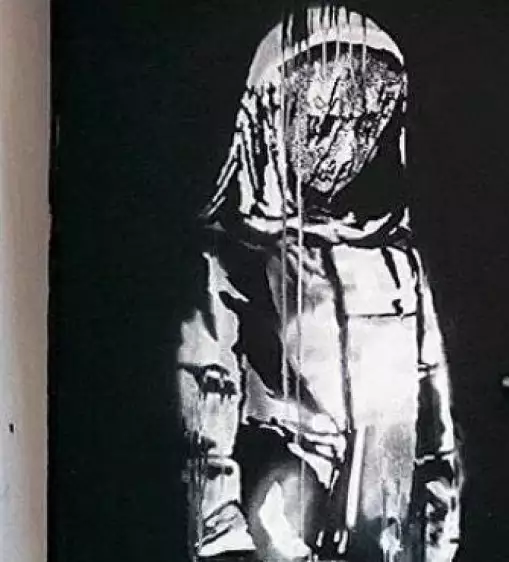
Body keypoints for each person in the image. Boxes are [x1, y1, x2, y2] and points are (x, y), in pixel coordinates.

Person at [175, 5, 461, 560]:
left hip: (384, 524)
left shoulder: (397, 260)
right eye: (324, 124)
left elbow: (434, 418)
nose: (346, 151)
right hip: (279, 519)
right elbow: (208, 411)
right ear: (269, 120)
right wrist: (225, 539)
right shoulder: (235, 258)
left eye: (367, 125)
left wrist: (438, 534)